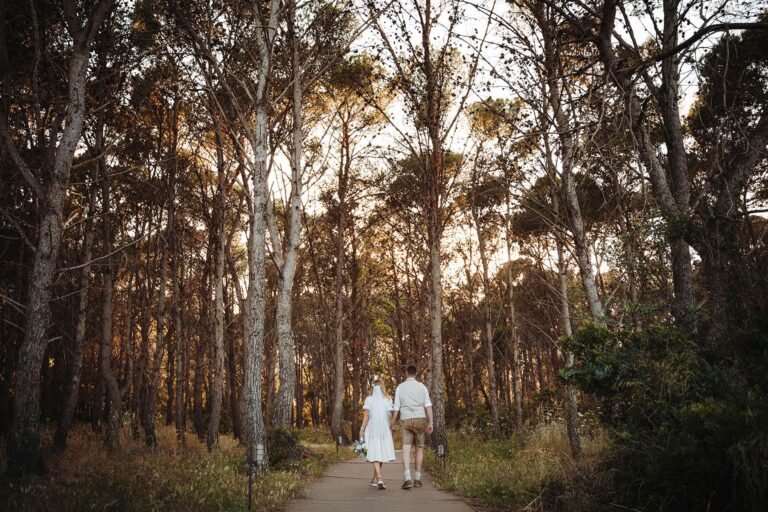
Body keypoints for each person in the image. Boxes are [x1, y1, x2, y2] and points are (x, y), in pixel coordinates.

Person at [391, 364, 433, 490]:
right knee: (419, 448)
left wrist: (392, 422)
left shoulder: (400, 387)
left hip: (406, 419)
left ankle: (407, 478)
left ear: (406, 372)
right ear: (416, 373)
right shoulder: (422, 387)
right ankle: (418, 479)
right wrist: (431, 422)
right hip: (420, 419)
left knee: (406, 449)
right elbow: (428, 405)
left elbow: (396, 407)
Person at [359, 378, 396, 489]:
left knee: (375, 452)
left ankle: (378, 478)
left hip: (372, 428)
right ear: (383, 387)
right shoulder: (388, 399)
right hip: (384, 429)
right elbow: (391, 416)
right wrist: (391, 426)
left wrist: (362, 429)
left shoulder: (369, 399)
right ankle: (375, 479)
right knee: (380, 452)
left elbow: (366, 416)